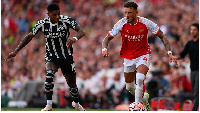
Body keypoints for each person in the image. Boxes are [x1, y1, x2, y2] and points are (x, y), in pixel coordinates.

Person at [5, 3, 86, 111]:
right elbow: (29, 37)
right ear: (48, 14)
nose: (57, 17)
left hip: (66, 56)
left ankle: (76, 103)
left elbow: (81, 31)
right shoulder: (42, 23)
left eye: (58, 14)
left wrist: (74, 39)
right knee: (49, 76)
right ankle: (49, 105)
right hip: (51, 56)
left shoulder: (66, 20)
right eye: (54, 15)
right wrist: (16, 51)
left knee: (72, 84)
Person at [102, 1, 178, 111]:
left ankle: (138, 107)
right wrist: (104, 49)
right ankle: (144, 100)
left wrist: (169, 53)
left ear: (136, 12)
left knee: (140, 78)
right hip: (128, 57)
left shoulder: (146, 22)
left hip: (143, 54)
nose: (127, 15)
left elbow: (162, 36)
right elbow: (106, 39)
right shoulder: (121, 23)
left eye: (130, 13)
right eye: (126, 12)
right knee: (129, 86)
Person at [175, 23, 199, 111]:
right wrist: (174, 57)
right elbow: (182, 54)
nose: (192, 31)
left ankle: (194, 110)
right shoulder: (189, 44)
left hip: (198, 70)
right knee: (195, 91)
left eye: (194, 30)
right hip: (193, 70)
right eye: (191, 30)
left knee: (197, 92)